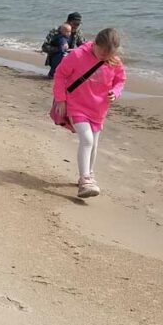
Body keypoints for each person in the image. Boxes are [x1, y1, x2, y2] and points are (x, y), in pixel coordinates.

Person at [51, 27, 127, 199]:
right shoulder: (78, 55)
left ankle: (88, 175)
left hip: (98, 109)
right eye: (102, 52)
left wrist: (115, 92)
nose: (104, 56)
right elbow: (60, 74)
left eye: (109, 54)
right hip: (76, 105)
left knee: (94, 144)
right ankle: (85, 179)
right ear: (95, 43)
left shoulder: (114, 61)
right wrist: (61, 99)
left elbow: (120, 80)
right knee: (87, 140)